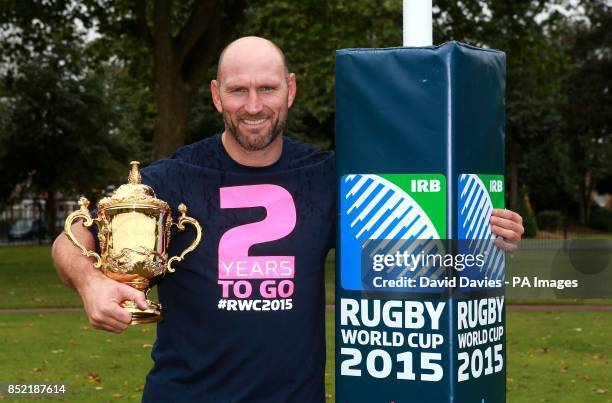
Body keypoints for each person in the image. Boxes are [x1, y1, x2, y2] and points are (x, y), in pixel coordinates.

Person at [52, 36, 524, 402]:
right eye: (238, 90)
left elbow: (411, 249)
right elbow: (74, 234)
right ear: (217, 96)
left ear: (291, 90)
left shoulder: (327, 176)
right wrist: (91, 283)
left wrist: (487, 230)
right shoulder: (173, 179)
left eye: (267, 88)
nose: (253, 106)